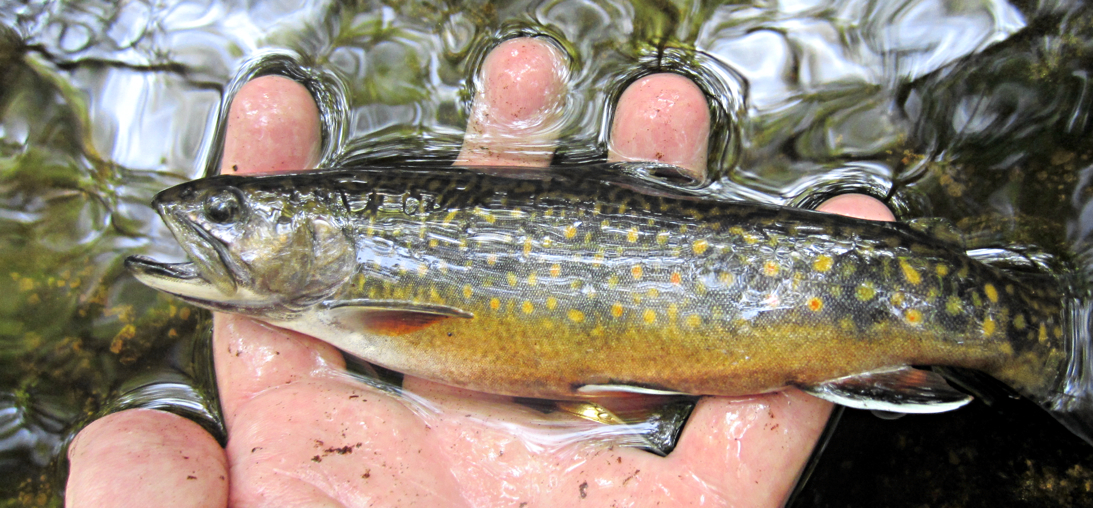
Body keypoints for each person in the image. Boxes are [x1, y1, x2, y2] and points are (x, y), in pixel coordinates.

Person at [64, 37, 895, 507]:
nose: (207, 224)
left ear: (319, 238)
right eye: (224, 217)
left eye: (226, 218)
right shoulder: (336, 299)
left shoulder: (353, 305)